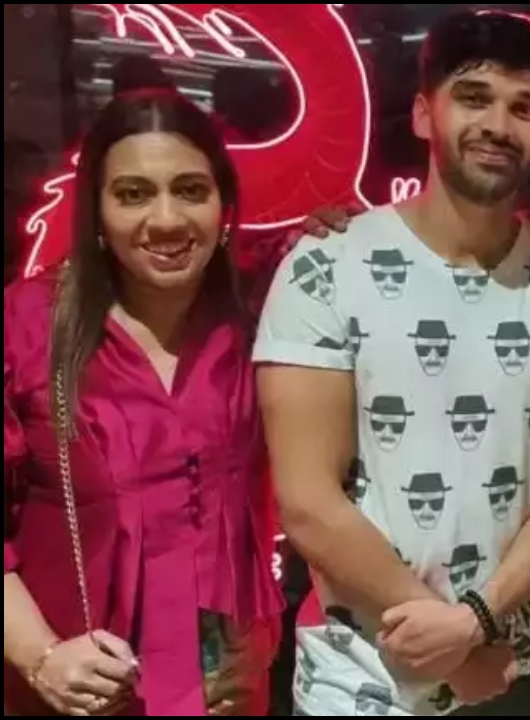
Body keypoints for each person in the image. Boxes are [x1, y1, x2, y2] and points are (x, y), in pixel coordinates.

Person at [253, 10, 530, 717]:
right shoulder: (326, 267)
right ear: (425, 114)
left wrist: (476, 621)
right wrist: (456, 646)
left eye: (524, 107)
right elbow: (307, 502)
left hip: (518, 676)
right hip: (363, 683)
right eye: (473, 97)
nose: (498, 125)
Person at [3, 90, 285, 716]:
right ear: (96, 210)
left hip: (227, 691)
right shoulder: (25, 326)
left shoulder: (262, 317)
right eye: (133, 194)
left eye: (191, 190)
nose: (166, 220)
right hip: (74, 691)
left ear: (224, 203)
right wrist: (40, 656)